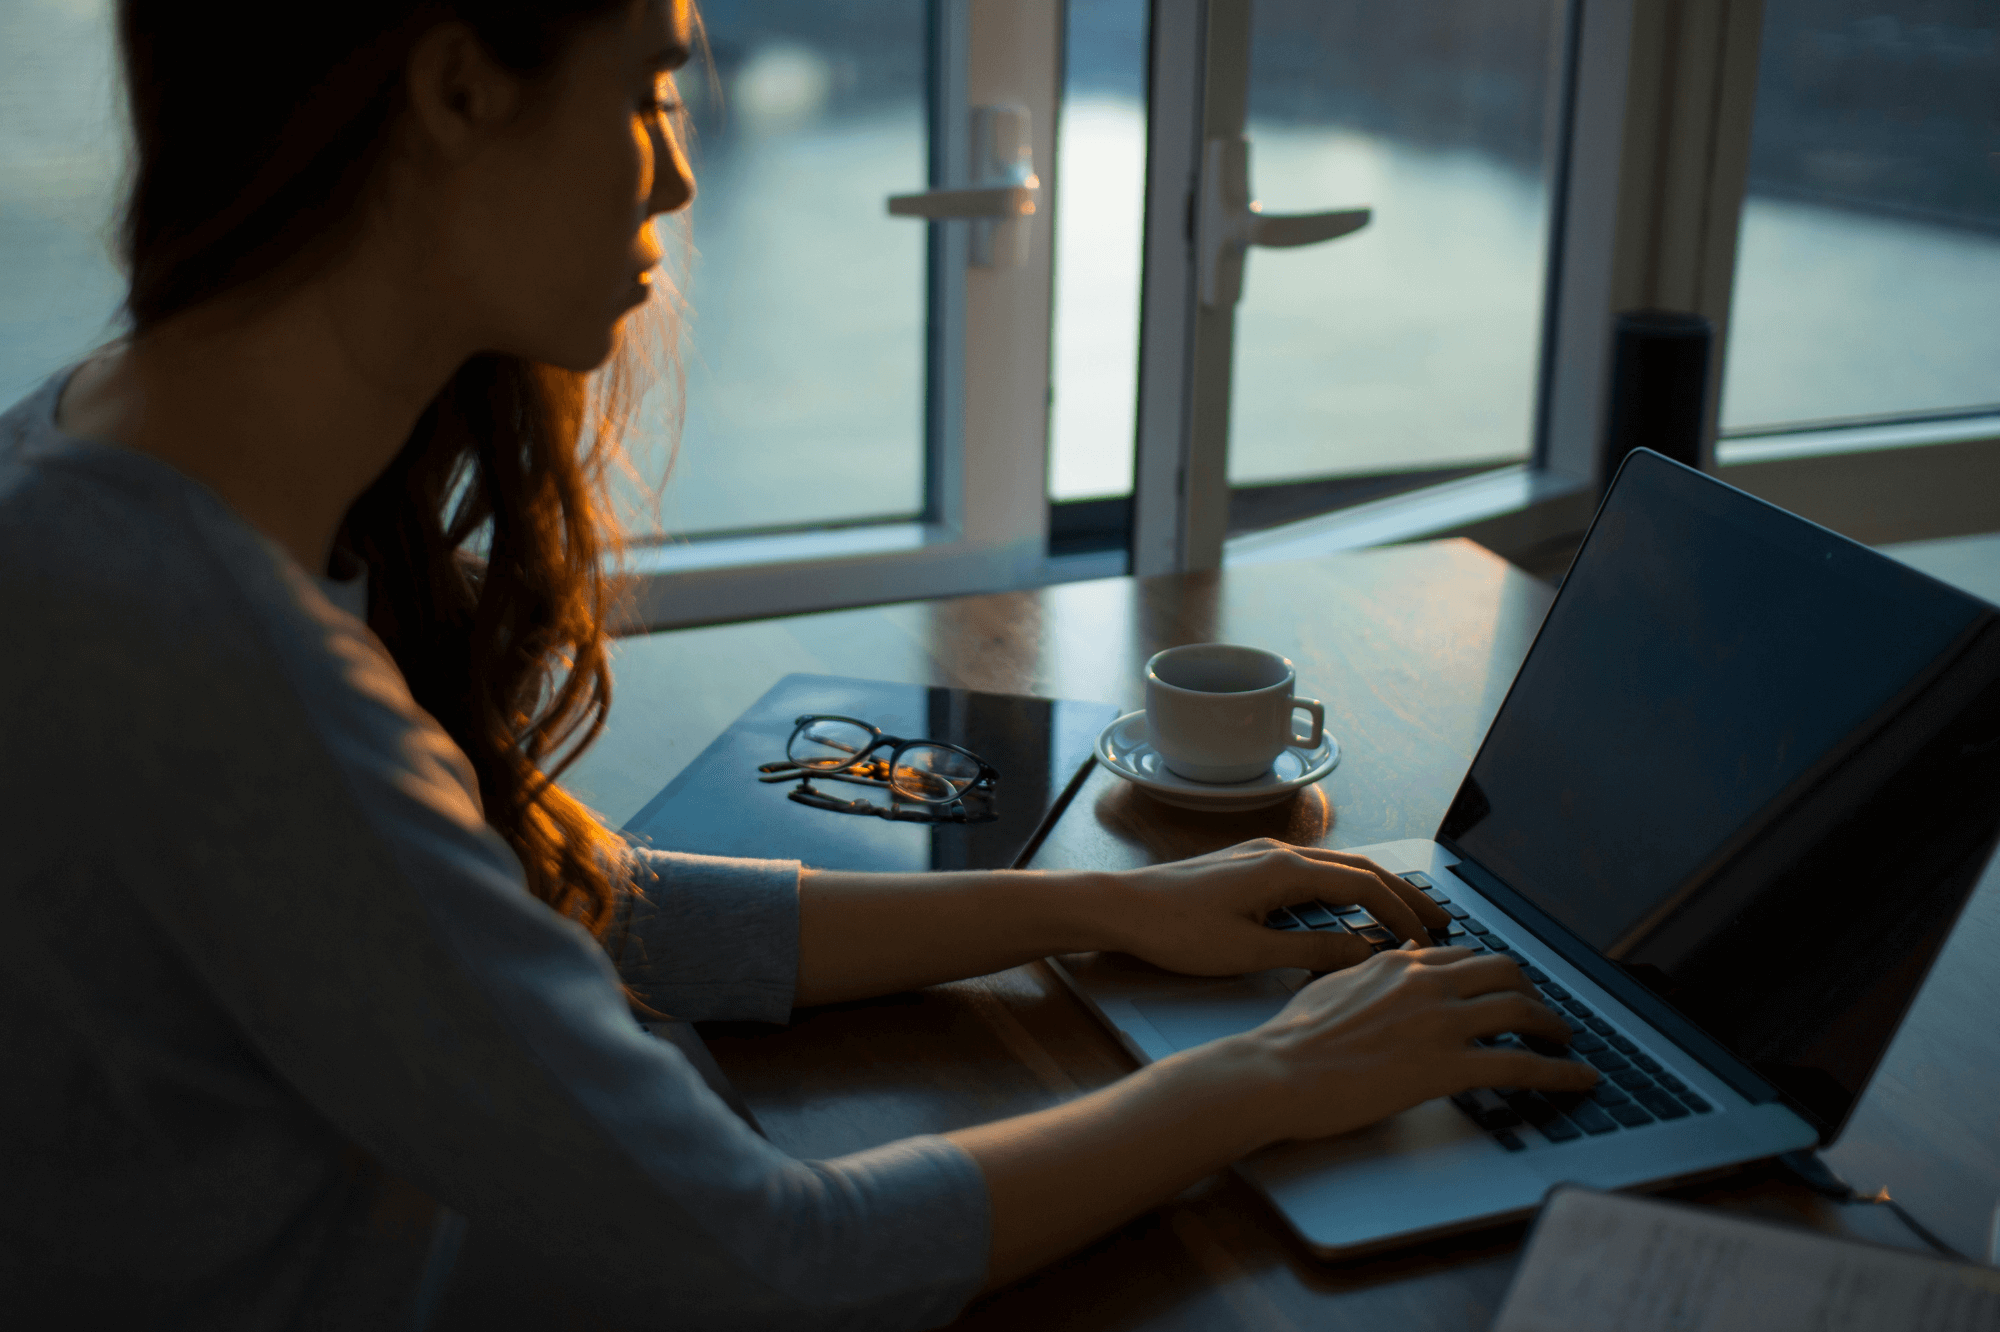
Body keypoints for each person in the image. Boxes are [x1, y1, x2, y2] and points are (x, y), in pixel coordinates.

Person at [0, 1, 1595, 1326]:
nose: (680, 174)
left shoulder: (104, 451)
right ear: (459, 85)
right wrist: (1262, 1080)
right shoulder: (224, 669)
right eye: (646, 90)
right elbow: (767, 1260)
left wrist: (1101, 905)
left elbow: (575, 906)